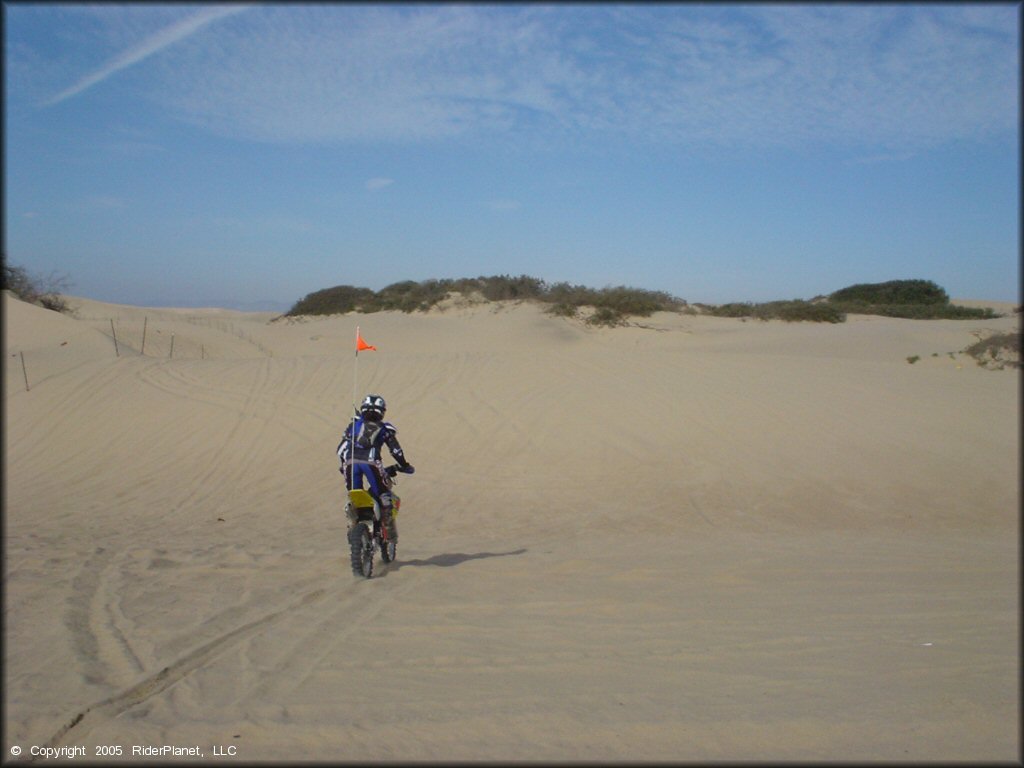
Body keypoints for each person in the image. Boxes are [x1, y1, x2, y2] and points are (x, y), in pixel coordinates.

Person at [337, 394, 414, 539]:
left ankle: (352, 525)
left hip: (350, 463)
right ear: (382, 411)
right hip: (371, 463)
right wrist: (405, 465)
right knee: (383, 492)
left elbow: (341, 450)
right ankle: (388, 527)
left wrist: (343, 467)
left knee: (354, 494)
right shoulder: (385, 429)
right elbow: (396, 451)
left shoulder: (353, 426)